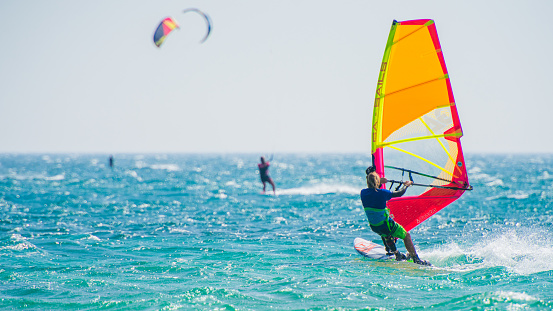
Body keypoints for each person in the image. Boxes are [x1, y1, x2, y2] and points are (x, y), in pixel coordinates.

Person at [360, 170, 430, 265]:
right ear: (377, 182)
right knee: (406, 236)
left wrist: (379, 181)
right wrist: (406, 185)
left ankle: (397, 254)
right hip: (385, 224)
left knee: (386, 234)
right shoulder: (382, 193)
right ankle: (416, 259)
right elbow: (399, 193)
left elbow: (373, 190)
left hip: (374, 226)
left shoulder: (363, 193)